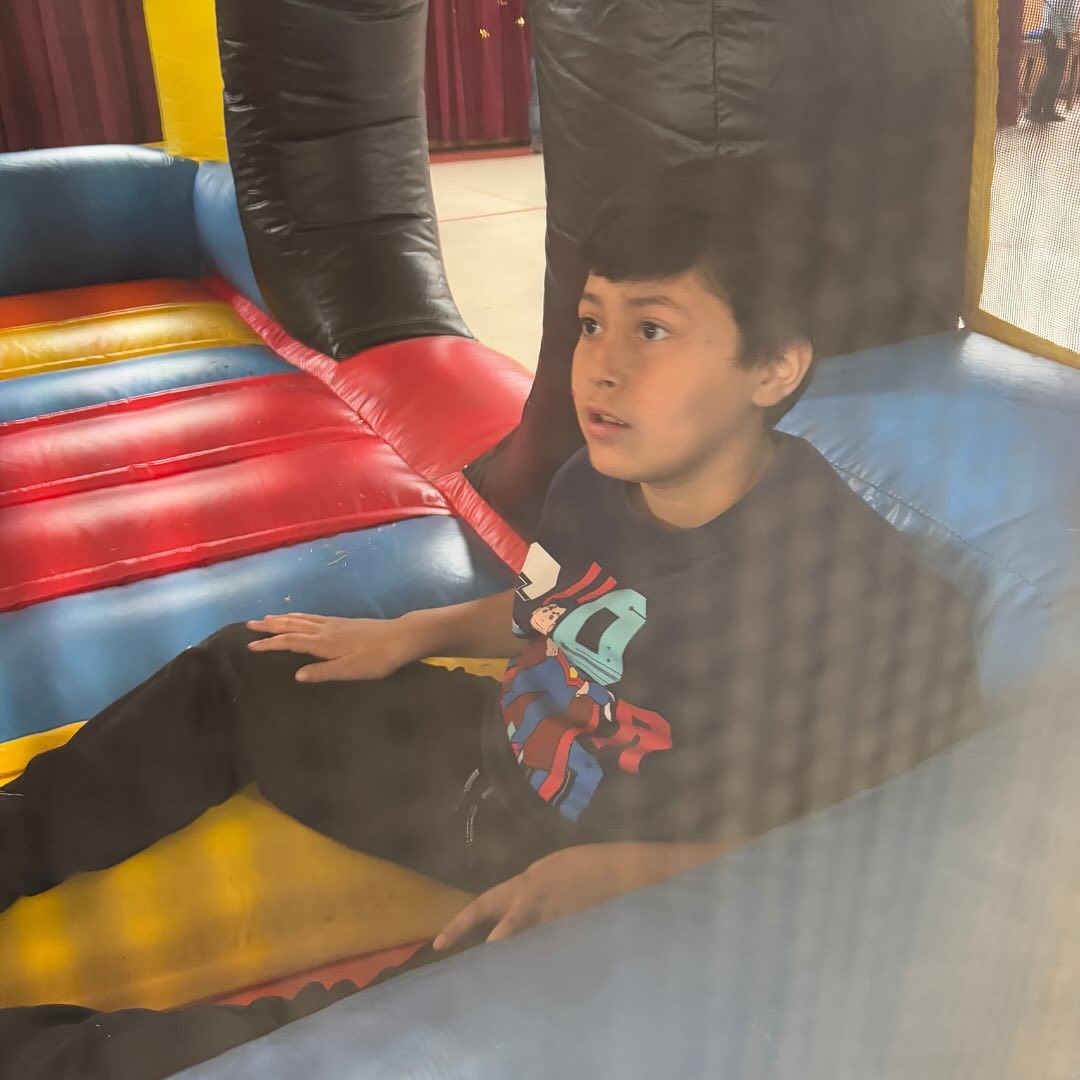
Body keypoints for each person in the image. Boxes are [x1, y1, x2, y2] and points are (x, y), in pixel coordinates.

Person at [0, 156, 982, 1078]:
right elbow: (560, 606)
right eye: (591, 323)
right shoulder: (594, 483)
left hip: (622, 903)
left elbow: (884, 835)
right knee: (248, 666)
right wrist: (407, 634)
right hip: (485, 772)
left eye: (652, 330)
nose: (598, 369)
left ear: (773, 369)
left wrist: (637, 873)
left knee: (359, 1042)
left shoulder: (850, 594)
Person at [1028, 0, 1077, 122]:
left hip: (1053, 33)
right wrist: (1061, 37)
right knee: (1054, 73)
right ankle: (1037, 110)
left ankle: (1045, 110)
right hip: (1055, 34)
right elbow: (1057, 13)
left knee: (1055, 73)